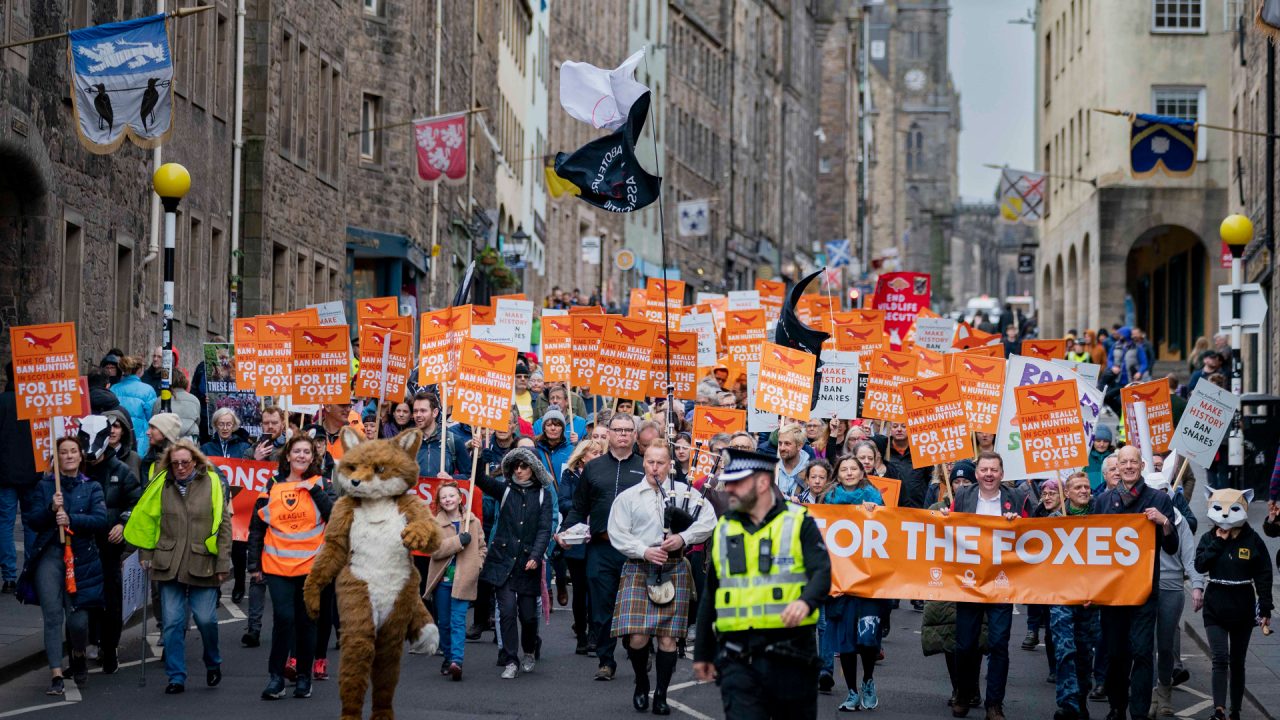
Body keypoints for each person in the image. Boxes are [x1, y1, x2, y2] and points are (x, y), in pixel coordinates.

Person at [692, 448, 831, 720]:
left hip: (791, 654)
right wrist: (702, 653)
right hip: (737, 657)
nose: (728, 488)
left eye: (737, 482)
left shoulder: (798, 520)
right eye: (728, 481)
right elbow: (712, 593)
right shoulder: (724, 527)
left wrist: (805, 602)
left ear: (763, 483)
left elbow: (822, 572)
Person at [608, 441, 716, 714]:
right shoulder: (628, 498)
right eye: (650, 461)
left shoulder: (687, 493)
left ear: (670, 465)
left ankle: (662, 694)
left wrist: (683, 537)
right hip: (639, 568)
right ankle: (642, 683)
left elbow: (708, 521)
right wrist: (644, 551)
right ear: (643, 463)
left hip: (674, 568)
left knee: (667, 639)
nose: (655, 467)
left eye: (660, 462)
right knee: (638, 637)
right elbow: (618, 534)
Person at [123, 440, 232, 694]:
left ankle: (213, 661)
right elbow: (149, 521)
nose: (180, 468)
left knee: (206, 620)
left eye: (185, 462)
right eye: (175, 464)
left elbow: (223, 525)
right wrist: (145, 553)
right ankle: (176, 676)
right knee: (171, 623)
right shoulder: (161, 485)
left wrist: (223, 562)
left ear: (195, 460)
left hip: (202, 562)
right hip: (167, 563)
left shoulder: (212, 482)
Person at [1091, 445, 1179, 720]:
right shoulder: (1103, 501)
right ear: (1117, 467)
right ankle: (1117, 706)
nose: (1128, 467)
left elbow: (1172, 546)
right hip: (1113, 593)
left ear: (1142, 466)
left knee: (1142, 652)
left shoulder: (1158, 499)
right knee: (1116, 654)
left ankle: (1139, 712)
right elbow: (1091, 547)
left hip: (1144, 592)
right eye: (1123, 462)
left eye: (1133, 462)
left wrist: (1164, 522)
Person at [247, 434, 334, 699]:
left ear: (313, 457)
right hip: (277, 566)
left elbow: (335, 516)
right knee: (284, 620)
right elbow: (257, 526)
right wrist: (253, 563)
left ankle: (304, 678)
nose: (301, 456)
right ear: (287, 456)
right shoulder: (272, 485)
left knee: (307, 623)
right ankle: (276, 678)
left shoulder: (322, 483)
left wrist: (314, 491)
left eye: (307, 452)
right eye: (297, 451)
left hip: (311, 568)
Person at [940, 452, 1023, 720]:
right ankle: (963, 694)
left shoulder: (1016, 499)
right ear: (977, 473)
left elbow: (1033, 534)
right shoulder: (963, 497)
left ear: (1002, 473)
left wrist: (1019, 524)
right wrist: (944, 517)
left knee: (999, 644)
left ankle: (994, 704)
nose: (989, 474)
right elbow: (948, 528)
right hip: (969, 583)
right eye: (984, 469)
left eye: (994, 470)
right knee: (965, 644)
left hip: (1002, 583)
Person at [24, 436, 107, 696]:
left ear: (81, 457)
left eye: (73, 451)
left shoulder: (91, 486)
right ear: (56, 458)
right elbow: (32, 521)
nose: (69, 456)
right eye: (63, 452)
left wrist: (72, 518)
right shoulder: (45, 486)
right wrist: (51, 508)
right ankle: (56, 674)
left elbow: (100, 520)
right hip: (50, 556)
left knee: (78, 620)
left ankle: (78, 654)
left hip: (81, 558)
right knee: (52, 616)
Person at [476, 446, 553, 679]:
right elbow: (479, 479)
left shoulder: (543, 495)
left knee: (528, 616)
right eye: (516, 466)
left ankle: (529, 650)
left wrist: (536, 556)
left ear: (534, 469)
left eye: (524, 466)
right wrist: (478, 454)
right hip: (502, 560)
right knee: (506, 611)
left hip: (527, 563)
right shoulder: (505, 489)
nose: (519, 471)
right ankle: (511, 659)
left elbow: (544, 529)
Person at [820, 455, 885, 712]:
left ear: (862, 472)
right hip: (839, 581)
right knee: (845, 642)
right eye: (844, 469)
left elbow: (890, 535)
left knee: (867, 640)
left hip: (868, 580)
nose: (848, 473)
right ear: (838, 472)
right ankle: (852, 692)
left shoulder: (875, 499)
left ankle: (868, 680)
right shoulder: (828, 499)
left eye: (853, 469)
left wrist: (876, 515)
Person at [78, 418, 141, 675]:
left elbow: (136, 502)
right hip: (81, 546)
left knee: (111, 599)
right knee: (81, 599)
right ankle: (82, 649)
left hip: (108, 546)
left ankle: (110, 647)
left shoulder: (122, 471)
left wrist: (123, 524)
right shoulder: (74, 471)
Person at [1142, 472, 1206, 717]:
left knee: (1166, 645)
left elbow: (1190, 559)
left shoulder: (1179, 522)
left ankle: (1165, 692)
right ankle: (1147, 695)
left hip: (1170, 588)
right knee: (1143, 645)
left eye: (1163, 492)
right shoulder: (1137, 518)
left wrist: (1198, 586)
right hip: (1142, 587)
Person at [1049, 472, 1101, 720]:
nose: (1083, 490)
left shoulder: (1101, 518)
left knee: (1084, 652)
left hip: (1090, 597)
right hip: (1061, 597)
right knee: (1064, 649)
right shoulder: (1053, 520)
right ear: (1066, 493)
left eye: (1086, 487)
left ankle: (1081, 698)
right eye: (1078, 487)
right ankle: (1068, 703)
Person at [425, 481, 487, 681]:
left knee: (458, 621)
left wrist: (478, 565)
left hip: (464, 579)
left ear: (460, 498)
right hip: (442, 581)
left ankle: (456, 661)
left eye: (451, 496)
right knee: (443, 622)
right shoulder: (435, 523)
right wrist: (459, 541)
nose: (448, 500)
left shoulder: (473, 521)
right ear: (439, 502)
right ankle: (448, 655)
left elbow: (482, 547)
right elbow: (435, 550)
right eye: (443, 497)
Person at [559, 438, 605, 654]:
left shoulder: (603, 474)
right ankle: (581, 635)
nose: (597, 456)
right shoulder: (569, 475)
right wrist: (583, 506)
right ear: (583, 455)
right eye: (593, 452)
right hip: (576, 537)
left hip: (596, 538)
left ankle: (596, 634)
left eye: (599, 453)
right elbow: (563, 502)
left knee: (595, 588)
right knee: (579, 590)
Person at [0, 361, 38, 595]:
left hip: (4, 473)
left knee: (4, 523)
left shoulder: (2, 402)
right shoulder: (34, 403)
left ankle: (9, 575)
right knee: (31, 523)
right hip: (32, 472)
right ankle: (31, 571)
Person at [412, 391, 469, 478]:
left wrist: (451, 478)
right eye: (415, 411)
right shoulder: (408, 442)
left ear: (435, 412)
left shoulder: (453, 441)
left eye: (423, 411)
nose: (418, 415)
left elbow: (469, 476)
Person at [112, 355, 158, 454]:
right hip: (140, 440)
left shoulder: (114, 388)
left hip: (117, 438)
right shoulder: (148, 390)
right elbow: (152, 417)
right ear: (140, 370)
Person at [886, 421, 931, 508]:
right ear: (890, 429)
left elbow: (930, 478)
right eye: (895, 426)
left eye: (904, 426)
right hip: (892, 509)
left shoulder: (921, 450)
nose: (899, 429)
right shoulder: (884, 451)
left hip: (918, 508)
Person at [151, 370, 201, 441]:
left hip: (167, 440)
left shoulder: (160, 400)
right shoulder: (195, 400)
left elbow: (154, 422)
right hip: (189, 441)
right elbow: (197, 421)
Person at [775, 425, 809, 497]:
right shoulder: (772, 467)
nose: (782, 448)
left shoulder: (809, 471)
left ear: (799, 446)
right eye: (780, 443)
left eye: (787, 444)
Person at [1085, 426, 1115, 492]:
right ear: (1092, 442)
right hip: (1090, 495)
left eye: (1105, 441)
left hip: (1110, 494)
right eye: (1098, 441)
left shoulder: (1114, 457)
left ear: (1109, 443)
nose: (1101, 444)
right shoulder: (1085, 458)